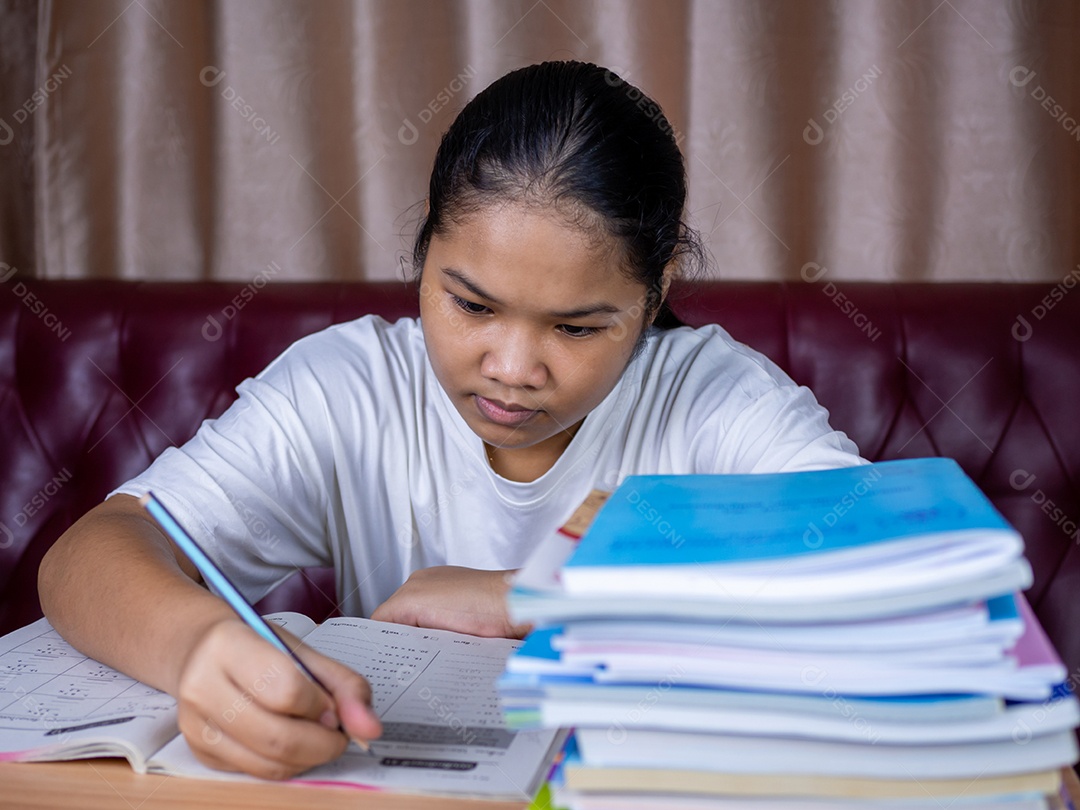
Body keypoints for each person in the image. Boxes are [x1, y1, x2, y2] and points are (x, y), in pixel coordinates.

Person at [38, 60, 862, 780]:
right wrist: (196, 648)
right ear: (423, 250)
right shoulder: (351, 388)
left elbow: (901, 568)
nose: (512, 368)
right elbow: (89, 555)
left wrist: (528, 601)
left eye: (576, 327)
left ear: (656, 292)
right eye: (471, 303)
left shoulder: (712, 397)